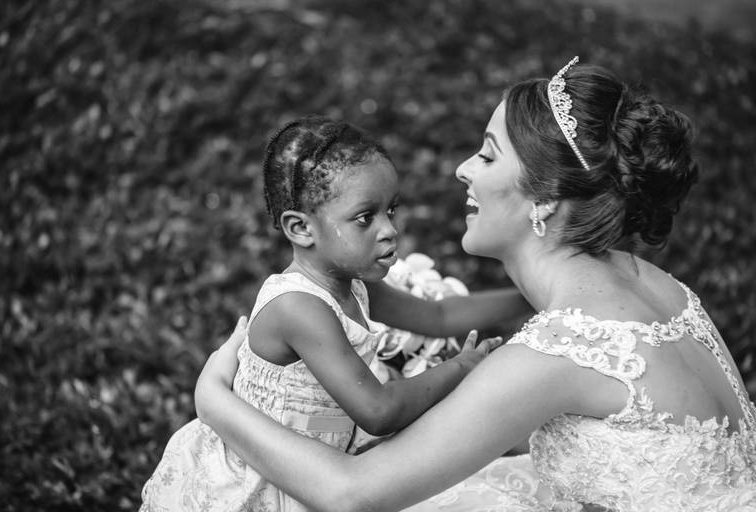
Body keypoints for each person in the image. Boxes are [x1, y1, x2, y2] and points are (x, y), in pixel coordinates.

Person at [193, 58, 756, 511]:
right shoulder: (656, 284)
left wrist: (214, 401)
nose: (463, 168)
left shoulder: (555, 354)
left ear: (545, 199)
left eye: (487, 154)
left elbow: (352, 495)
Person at [140, 116, 530, 511]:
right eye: (365, 217)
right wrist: (462, 367)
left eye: (391, 210)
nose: (389, 230)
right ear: (301, 229)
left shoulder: (352, 283)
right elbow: (379, 411)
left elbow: (439, 317)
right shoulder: (299, 307)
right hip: (263, 480)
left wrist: (531, 297)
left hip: (314, 463)